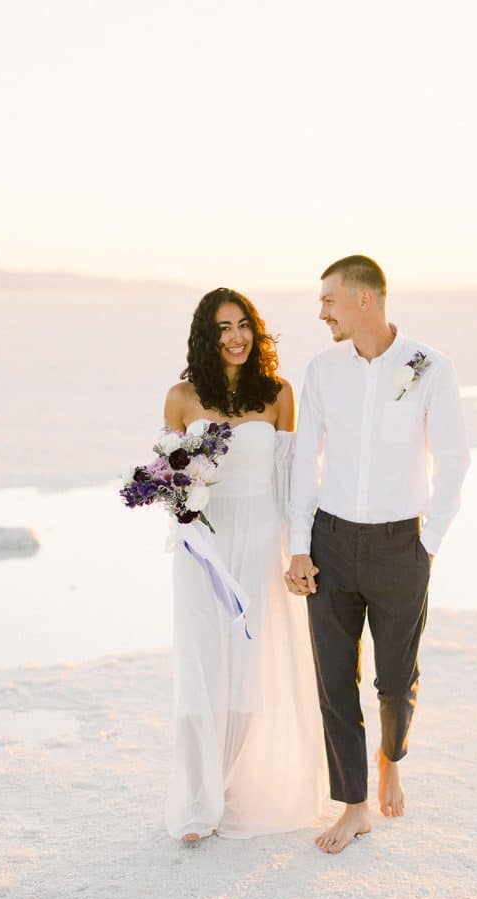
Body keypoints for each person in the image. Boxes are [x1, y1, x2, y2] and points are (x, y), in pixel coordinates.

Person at [286, 255, 470, 854]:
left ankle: (393, 755)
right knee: (335, 682)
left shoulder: (429, 368)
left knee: (395, 680)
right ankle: (354, 804)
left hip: (400, 547)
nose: (322, 313)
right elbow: (302, 463)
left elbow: (454, 458)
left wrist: (429, 543)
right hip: (331, 546)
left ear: (365, 300)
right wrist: (299, 546)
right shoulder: (321, 371)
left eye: (329, 301)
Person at [163, 287, 326, 842]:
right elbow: (171, 477)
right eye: (221, 329)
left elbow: (290, 481)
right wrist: (184, 524)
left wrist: (297, 548)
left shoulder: (278, 394)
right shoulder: (182, 397)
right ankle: (197, 799)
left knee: (250, 668)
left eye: (242, 326)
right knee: (202, 664)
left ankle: (232, 786)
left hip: (260, 539)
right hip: (202, 548)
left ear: (256, 332)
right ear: (205, 339)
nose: (234, 337)